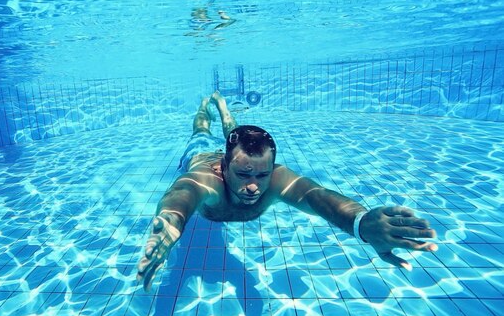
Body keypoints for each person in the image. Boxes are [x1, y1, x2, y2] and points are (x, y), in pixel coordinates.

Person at [136, 92, 439, 291]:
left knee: (234, 132)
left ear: (272, 168)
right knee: (201, 132)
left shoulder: (276, 179)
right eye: (242, 175)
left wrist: (360, 223)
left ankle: (224, 108)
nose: (253, 186)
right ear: (223, 168)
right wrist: (172, 222)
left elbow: (315, 196)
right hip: (201, 153)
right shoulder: (207, 177)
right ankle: (206, 107)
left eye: (262, 174)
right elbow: (183, 192)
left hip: (233, 152)